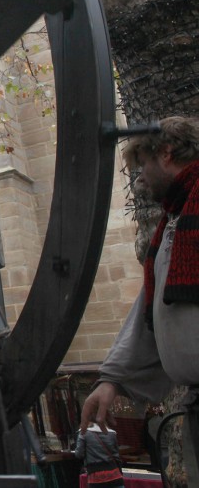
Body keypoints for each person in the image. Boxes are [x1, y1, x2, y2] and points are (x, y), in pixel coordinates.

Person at [78, 118, 199, 437]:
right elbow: (159, 309)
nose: (141, 178)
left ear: (166, 153)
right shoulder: (176, 220)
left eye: (143, 164)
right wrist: (113, 380)